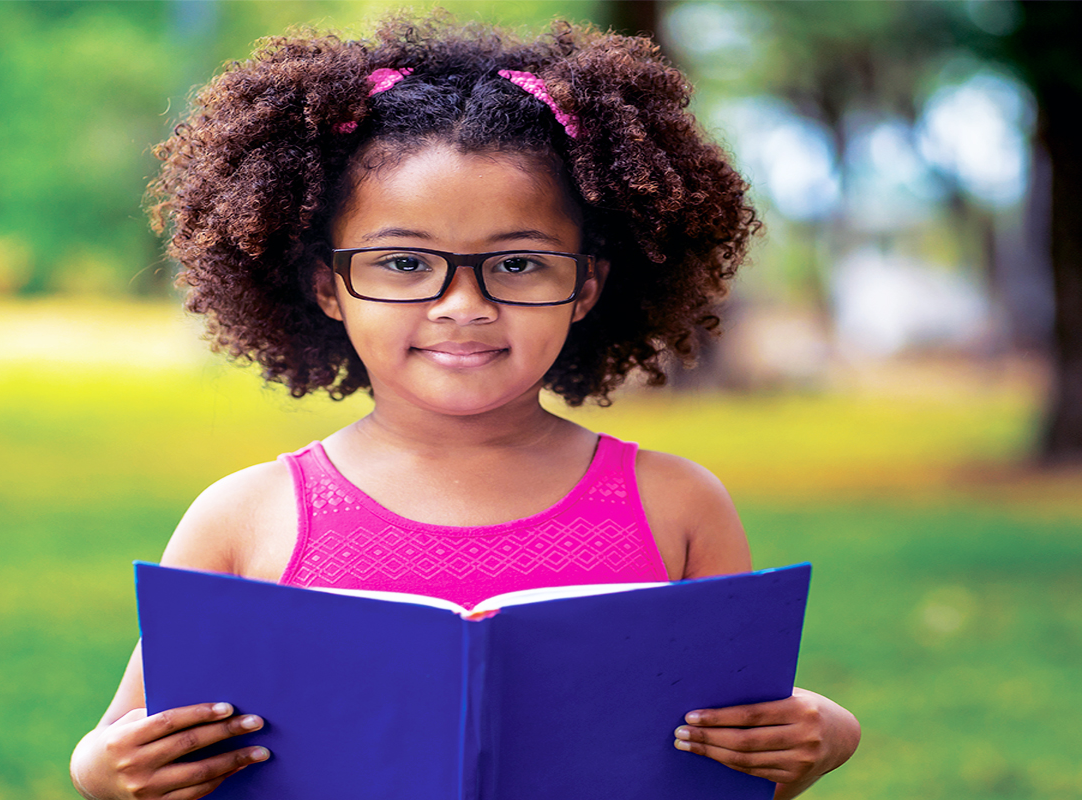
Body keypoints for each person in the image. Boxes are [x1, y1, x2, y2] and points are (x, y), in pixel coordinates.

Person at [70, 15, 860, 800]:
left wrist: (822, 736)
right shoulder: (242, 518)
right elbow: (120, 744)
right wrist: (108, 771)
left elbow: (727, 758)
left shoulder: (679, 506)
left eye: (516, 262)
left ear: (587, 284)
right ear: (327, 287)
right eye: (405, 262)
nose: (462, 305)